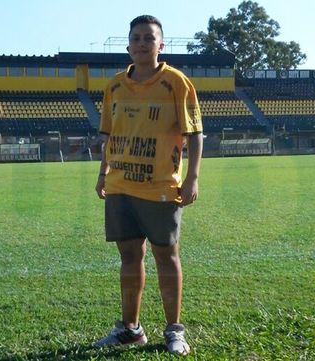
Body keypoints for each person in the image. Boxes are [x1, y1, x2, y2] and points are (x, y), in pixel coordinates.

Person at [93, 15, 203, 356]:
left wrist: (193, 177)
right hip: (120, 185)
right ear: (128, 46)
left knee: (166, 256)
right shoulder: (113, 85)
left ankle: (174, 330)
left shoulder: (176, 82)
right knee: (129, 256)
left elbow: (195, 133)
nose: (142, 43)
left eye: (148, 38)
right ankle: (130, 329)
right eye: (136, 38)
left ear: (160, 45)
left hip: (160, 187)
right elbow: (108, 136)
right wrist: (102, 173)